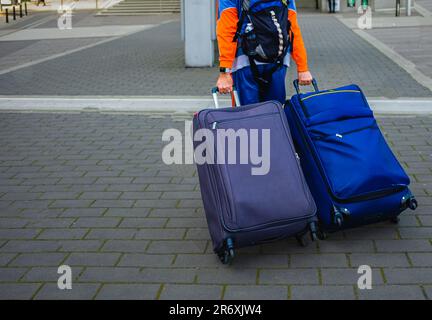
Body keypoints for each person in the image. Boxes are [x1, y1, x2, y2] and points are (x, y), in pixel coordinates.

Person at [216, 0, 313, 105]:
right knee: (275, 112)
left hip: (245, 62)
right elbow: (293, 30)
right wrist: (303, 68)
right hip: (278, 61)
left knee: (247, 115)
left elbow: (227, 30)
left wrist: (224, 71)